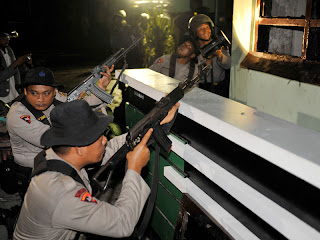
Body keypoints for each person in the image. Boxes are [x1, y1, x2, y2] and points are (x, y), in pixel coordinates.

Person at [13, 99, 179, 239]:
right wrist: (134, 169)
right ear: (79, 148)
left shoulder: (56, 155)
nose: (105, 140)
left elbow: (115, 147)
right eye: (98, 137)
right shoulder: (61, 192)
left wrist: (155, 123)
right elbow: (122, 224)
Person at [5, 66, 113, 196]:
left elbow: (84, 104)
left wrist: (101, 87)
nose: (40, 99)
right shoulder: (18, 115)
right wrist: (73, 115)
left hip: (59, 162)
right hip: (32, 172)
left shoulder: (56, 98)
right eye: (34, 93)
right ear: (25, 91)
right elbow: (49, 138)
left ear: (54, 91)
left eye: (46, 93)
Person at [188, 14, 231, 96]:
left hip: (218, 89)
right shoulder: (192, 48)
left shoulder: (219, 44)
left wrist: (220, 55)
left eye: (207, 27)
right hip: (198, 88)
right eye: (201, 29)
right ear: (194, 32)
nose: (205, 31)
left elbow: (228, 65)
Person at [0, 32, 32, 104]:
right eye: (3, 39)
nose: (7, 41)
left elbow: (16, 71)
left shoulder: (9, 50)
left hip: (15, 94)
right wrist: (16, 63)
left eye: (8, 39)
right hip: (2, 98)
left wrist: (23, 63)